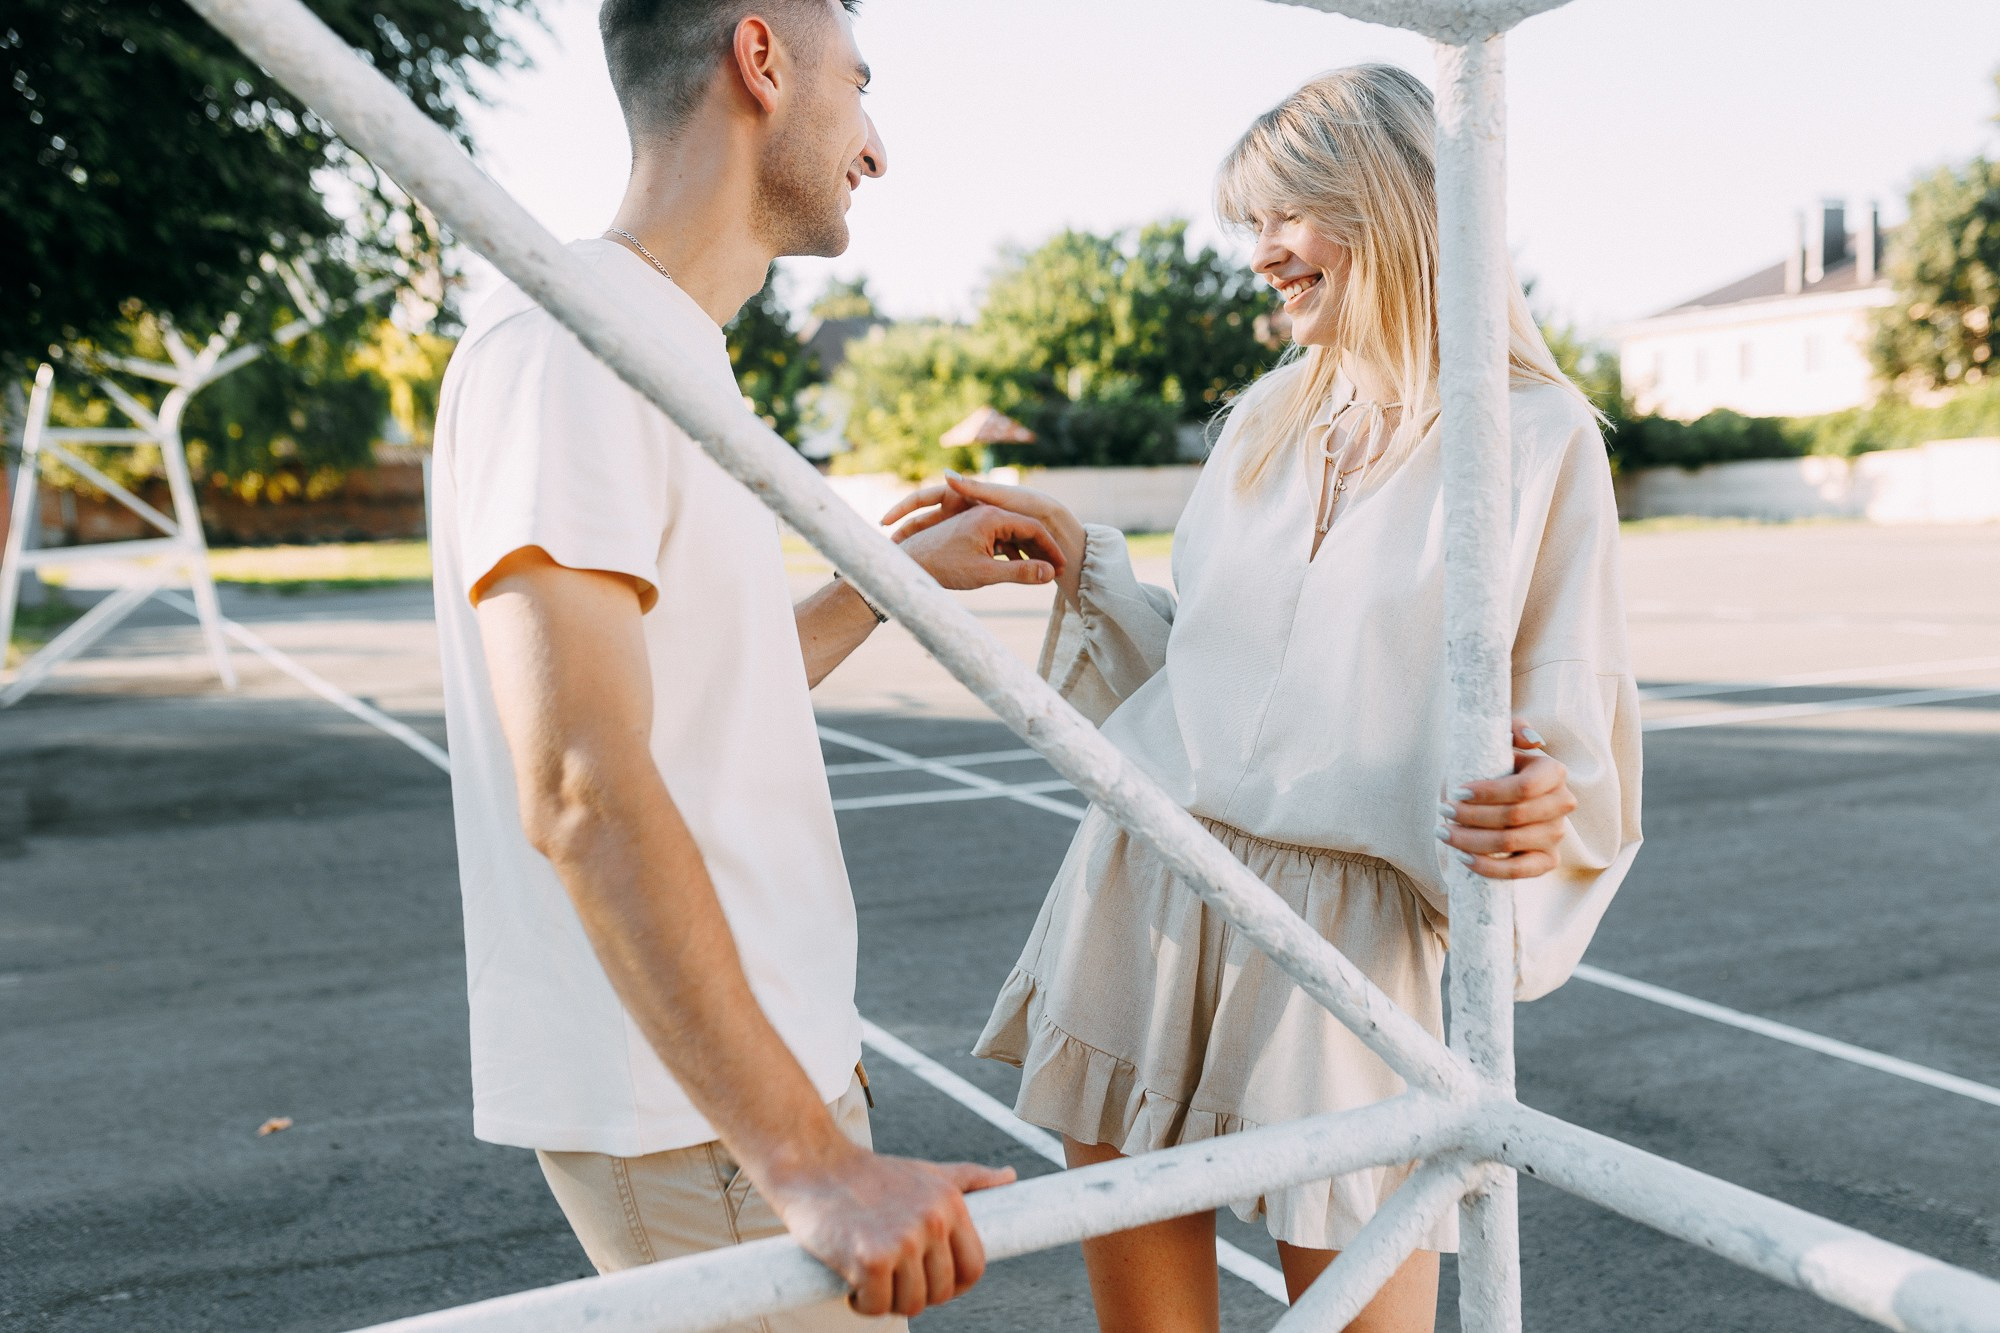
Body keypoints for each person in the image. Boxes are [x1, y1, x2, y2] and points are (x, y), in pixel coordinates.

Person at [884, 65, 1644, 1333]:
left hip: (1349, 952)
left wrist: (1544, 803)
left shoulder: (1536, 436)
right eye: (1248, 225)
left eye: (1282, 215)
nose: (1258, 256)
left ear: (1388, 202)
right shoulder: (1263, 421)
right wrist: (1084, 564)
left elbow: (1569, 723)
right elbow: (1211, 690)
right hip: (1150, 887)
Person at [427, 1, 1069, 1326]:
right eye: (859, 84)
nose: (876, 146)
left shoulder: (663, 345)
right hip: (706, 1127)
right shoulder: (571, 340)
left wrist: (883, 586)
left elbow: (690, 695)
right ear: (762, 59)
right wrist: (810, 1161)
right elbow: (582, 779)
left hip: (739, 1095)